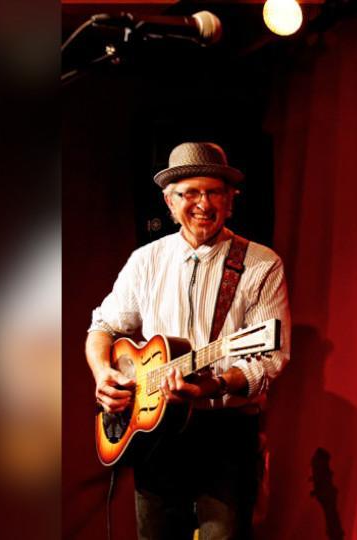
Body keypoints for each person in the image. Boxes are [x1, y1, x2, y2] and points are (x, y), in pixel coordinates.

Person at [86, 141, 291, 539]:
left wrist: (213, 385)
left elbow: (271, 359)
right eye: (189, 193)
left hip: (227, 433)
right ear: (169, 201)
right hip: (155, 434)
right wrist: (103, 373)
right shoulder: (145, 261)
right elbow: (103, 327)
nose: (202, 203)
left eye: (214, 192)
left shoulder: (261, 264)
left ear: (231, 200)